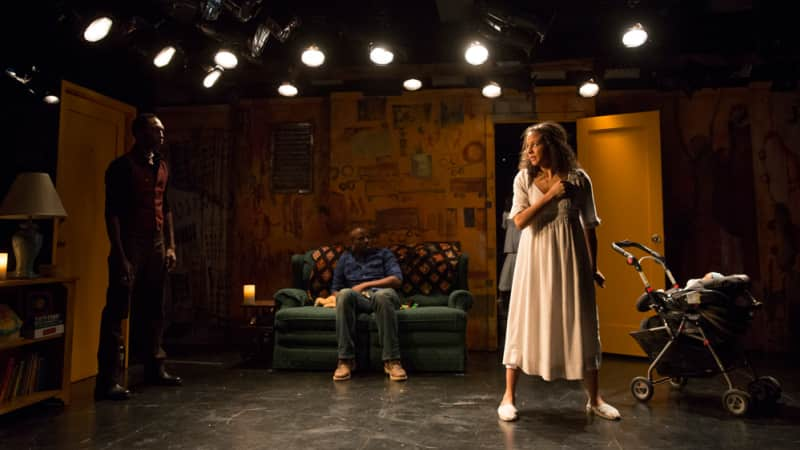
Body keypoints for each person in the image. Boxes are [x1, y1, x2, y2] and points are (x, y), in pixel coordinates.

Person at [497, 122, 620, 421]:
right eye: (527, 146)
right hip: (533, 260)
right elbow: (519, 222)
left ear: (553, 145)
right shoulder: (523, 179)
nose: (529, 151)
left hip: (570, 258)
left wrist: (594, 268)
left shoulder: (579, 179)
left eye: (535, 144)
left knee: (583, 321)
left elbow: (591, 227)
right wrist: (551, 195)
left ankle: (595, 399)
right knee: (523, 320)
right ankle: (508, 397)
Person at [96, 113, 182, 401]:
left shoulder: (162, 166)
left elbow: (166, 207)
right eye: (156, 131)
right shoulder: (121, 167)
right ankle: (108, 379)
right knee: (118, 309)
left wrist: (170, 246)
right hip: (130, 242)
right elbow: (113, 214)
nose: (161, 136)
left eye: (162, 131)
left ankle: (154, 367)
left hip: (156, 241)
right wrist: (120, 255)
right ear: (140, 133)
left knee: (156, 306)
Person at [332, 227, 408, 382]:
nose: (367, 241)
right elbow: (335, 288)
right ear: (351, 242)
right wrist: (341, 298)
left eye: (368, 237)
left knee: (381, 296)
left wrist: (364, 285)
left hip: (383, 294)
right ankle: (345, 361)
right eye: (361, 238)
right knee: (345, 294)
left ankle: (392, 361)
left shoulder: (384, 254)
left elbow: (396, 279)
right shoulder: (345, 258)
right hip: (358, 299)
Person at [497, 194, 521, 348]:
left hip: (521, 251)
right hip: (511, 251)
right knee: (504, 284)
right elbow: (505, 225)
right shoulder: (507, 213)